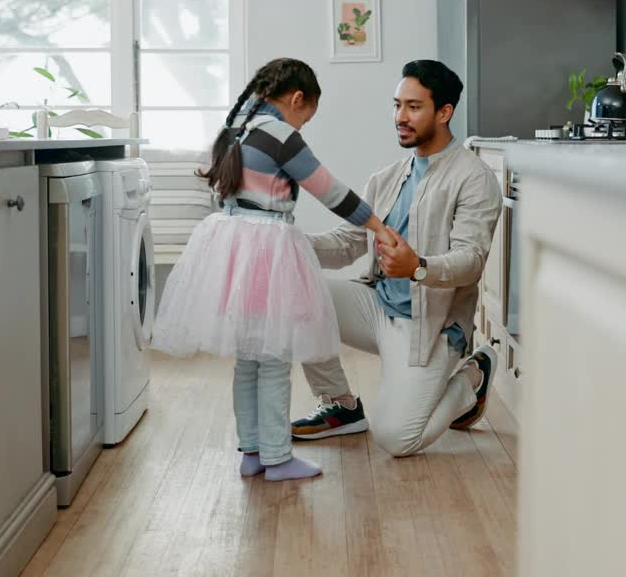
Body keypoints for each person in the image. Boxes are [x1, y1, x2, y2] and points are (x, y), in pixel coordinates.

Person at [151, 57, 396, 481]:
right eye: (307, 116)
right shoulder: (281, 135)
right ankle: (279, 458)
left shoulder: (237, 130)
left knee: (248, 359)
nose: (304, 127)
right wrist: (378, 226)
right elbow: (330, 191)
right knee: (275, 358)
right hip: (267, 250)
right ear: (297, 99)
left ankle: (251, 452)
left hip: (230, 245)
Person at [290, 59, 503, 457]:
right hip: (377, 307)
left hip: (430, 327)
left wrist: (417, 268)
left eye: (413, 107)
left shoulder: (474, 178)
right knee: (295, 294)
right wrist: (291, 242)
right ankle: (341, 406)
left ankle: (472, 377)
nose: (399, 117)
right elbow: (348, 243)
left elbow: (471, 260)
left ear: (444, 112)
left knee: (396, 439)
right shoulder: (386, 177)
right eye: (397, 105)